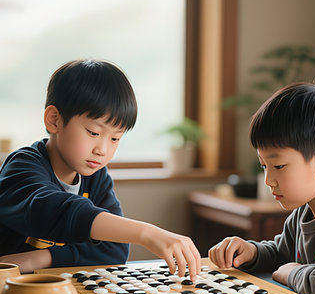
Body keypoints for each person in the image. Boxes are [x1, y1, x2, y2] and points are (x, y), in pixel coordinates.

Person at [0, 59, 200, 280]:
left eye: (115, 138)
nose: (103, 150)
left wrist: (41, 258)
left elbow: (114, 250)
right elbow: (55, 209)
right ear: (54, 120)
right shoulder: (21, 168)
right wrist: (146, 233)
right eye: (94, 133)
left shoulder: (96, 178)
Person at [209, 82, 315, 294]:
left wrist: (293, 272)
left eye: (278, 166)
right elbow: (281, 255)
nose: (268, 180)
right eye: (263, 166)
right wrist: (251, 252)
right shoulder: (302, 213)